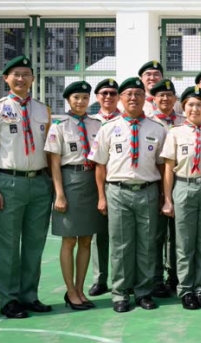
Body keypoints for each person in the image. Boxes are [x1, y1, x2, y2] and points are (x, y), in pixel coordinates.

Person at [0, 55, 53, 320]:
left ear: (33, 78)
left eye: (26, 74)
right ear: (6, 79)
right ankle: (9, 299)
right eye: (16, 74)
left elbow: (50, 150)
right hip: (10, 183)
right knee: (8, 246)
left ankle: (29, 295)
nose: (21, 79)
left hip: (40, 183)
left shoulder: (43, 110)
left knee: (35, 244)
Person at [91, 76, 167, 313]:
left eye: (138, 94)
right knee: (121, 245)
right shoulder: (107, 128)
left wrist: (163, 196)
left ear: (145, 98)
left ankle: (143, 291)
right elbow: (100, 165)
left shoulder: (158, 128)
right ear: (120, 98)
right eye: (128, 94)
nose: (133, 98)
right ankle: (120, 293)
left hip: (147, 190)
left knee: (147, 244)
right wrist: (101, 196)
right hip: (118, 191)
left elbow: (162, 165)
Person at [161, 87, 201, 311]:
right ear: (183, 107)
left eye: (199, 105)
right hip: (184, 187)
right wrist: (167, 199)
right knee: (185, 243)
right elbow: (168, 169)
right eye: (190, 105)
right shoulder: (175, 133)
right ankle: (186, 290)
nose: (194, 109)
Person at [44, 81, 103, 311]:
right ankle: (70, 291)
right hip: (69, 181)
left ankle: (80, 289)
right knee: (69, 240)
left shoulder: (97, 125)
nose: (81, 102)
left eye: (85, 98)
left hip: (91, 182)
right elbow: (54, 164)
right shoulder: (59, 126)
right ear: (68, 100)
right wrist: (59, 194)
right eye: (76, 97)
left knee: (87, 239)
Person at [149, 78, 183, 297]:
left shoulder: (184, 120)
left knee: (178, 234)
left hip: (181, 182)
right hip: (155, 182)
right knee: (156, 234)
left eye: (169, 95)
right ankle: (155, 278)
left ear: (175, 98)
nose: (165, 99)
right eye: (161, 95)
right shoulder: (148, 122)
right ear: (154, 99)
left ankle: (175, 275)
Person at [88, 78, 121, 297]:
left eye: (112, 93)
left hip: (119, 184)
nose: (108, 97)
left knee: (122, 236)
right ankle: (99, 279)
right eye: (104, 93)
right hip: (93, 183)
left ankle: (124, 279)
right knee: (98, 234)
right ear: (97, 97)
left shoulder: (125, 120)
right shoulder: (90, 122)